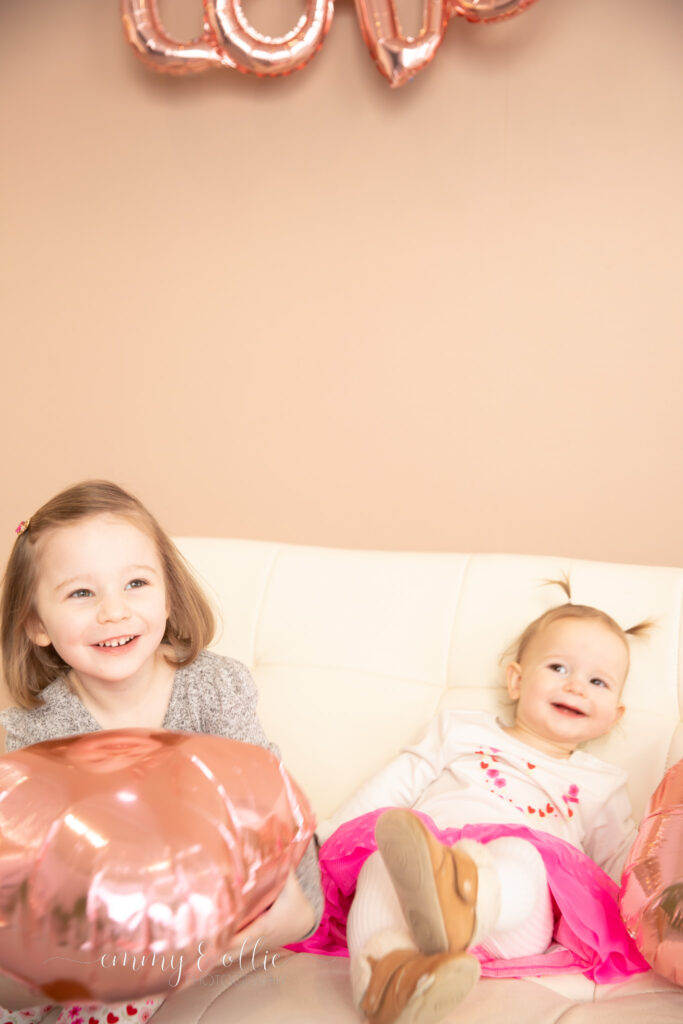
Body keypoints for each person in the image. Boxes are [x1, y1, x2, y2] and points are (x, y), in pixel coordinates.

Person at [0, 480, 322, 1024]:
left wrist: (288, 912)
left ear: (168, 594)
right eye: (82, 593)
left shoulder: (214, 689)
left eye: (135, 584)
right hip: (94, 922)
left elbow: (273, 815)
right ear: (36, 623)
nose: (113, 612)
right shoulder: (34, 730)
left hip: (217, 906)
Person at [301, 587, 651, 1024]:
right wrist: (326, 837)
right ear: (516, 680)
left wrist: (659, 912)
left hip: (512, 920)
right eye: (558, 667)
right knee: (380, 861)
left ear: (614, 714)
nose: (575, 685)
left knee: (521, 855)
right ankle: (388, 980)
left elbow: (619, 864)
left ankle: (467, 900)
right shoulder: (460, 730)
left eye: (597, 681)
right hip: (423, 876)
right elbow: (395, 783)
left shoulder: (602, 783)